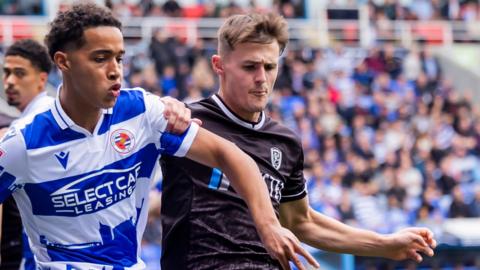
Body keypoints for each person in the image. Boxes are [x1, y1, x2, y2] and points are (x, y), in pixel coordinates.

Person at [0, 4, 317, 270]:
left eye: (119, 58)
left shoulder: (142, 112)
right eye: (100, 59)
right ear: (63, 62)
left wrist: (268, 225)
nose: (115, 71)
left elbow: (230, 155)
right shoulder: (22, 143)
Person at [160, 13, 437, 270]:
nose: (261, 78)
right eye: (250, 66)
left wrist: (385, 244)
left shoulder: (285, 142)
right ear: (219, 66)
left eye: (269, 66)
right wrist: (162, 106)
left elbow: (301, 221)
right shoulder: (186, 121)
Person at [0, 39, 54, 270]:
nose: (10, 81)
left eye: (19, 73)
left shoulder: (26, 132)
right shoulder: (51, 114)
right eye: (7, 72)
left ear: (42, 78)